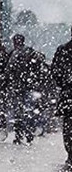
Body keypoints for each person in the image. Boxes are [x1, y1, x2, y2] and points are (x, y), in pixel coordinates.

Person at [7, 34, 39, 144]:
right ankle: (27, 133)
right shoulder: (29, 52)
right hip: (27, 86)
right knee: (26, 111)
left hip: (20, 87)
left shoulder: (14, 54)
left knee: (20, 112)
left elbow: (8, 70)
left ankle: (20, 134)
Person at [51, 26, 72, 169]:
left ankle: (71, 155)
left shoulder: (63, 50)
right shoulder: (63, 50)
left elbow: (55, 73)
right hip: (68, 93)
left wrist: (64, 83)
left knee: (69, 126)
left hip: (68, 94)